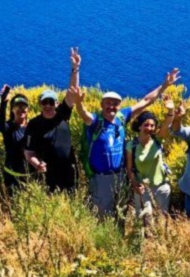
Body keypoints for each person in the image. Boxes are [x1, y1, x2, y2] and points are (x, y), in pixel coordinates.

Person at [75, 67, 181, 218]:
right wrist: (79, 103)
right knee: (102, 214)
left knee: (121, 211)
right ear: (101, 104)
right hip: (101, 178)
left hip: (120, 176)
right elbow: (83, 113)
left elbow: (146, 101)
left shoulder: (121, 117)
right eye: (108, 103)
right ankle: (103, 240)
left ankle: (119, 238)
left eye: (116, 103)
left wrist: (165, 85)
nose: (112, 106)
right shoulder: (95, 121)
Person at [24, 49, 82, 193]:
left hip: (69, 170)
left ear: (56, 103)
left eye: (51, 102)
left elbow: (72, 91)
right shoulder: (34, 124)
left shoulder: (63, 114)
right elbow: (29, 152)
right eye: (45, 102)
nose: (48, 106)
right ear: (40, 104)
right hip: (48, 174)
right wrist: (38, 165)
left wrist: (75, 69)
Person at [125, 110, 172, 227]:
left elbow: (167, 125)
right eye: (146, 125)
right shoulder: (132, 145)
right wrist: (135, 185)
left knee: (162, 219)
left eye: (152, 125)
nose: (150, 128)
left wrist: (170, 111)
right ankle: (146, 243)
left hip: (161, 187)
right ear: (139, 126)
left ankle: (160, 243)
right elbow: (129, 168)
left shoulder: (157, 140)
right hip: (143, 189)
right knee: (146, 219)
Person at [0, 85, 30, 194]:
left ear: (28, 108)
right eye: (17, 106)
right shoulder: (8, 127)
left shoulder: (32, 127)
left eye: (23, 106)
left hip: (29, 175)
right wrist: (4, 102)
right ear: (12, 110)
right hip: (12, 175)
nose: (21, 109)